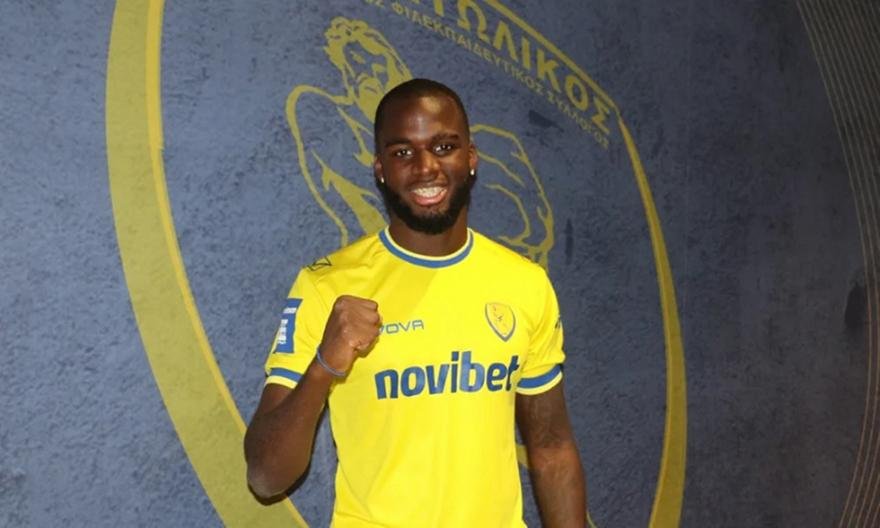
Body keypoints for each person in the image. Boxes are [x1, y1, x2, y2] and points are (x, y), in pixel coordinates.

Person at [245, 78, 586, 527]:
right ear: (380, 168)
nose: (426, 168)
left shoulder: (525, 283)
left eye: (444, 147)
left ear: (471, 158)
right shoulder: (326, 287)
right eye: (403, 152)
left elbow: (552, 447)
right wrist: (323, 366)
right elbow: (266, 477)